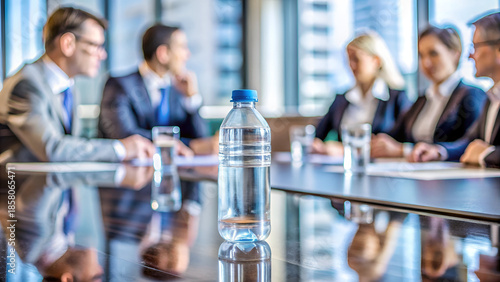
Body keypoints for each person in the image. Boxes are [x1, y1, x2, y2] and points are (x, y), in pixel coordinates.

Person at [0, 7, 156, 163]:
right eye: (96, 45)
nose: (103, 55)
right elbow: (53, 149)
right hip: (17, 185)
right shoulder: (25, 84)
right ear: (68, 44)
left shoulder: (69, 86)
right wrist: (120, 149)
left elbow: (77, 145)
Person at [99, 24, 218, 155]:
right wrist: (187, 146)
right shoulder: (119, 85)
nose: (187, 54)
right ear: (163, 54)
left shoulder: (178, 89)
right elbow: (124, 135)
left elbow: (201, 137)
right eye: (182, 47)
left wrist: (192, 98)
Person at [372, 26, 487, 158]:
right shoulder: (423, 99)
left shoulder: (471, 95)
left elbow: (468, 144)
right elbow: (396, 135)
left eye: (433, 53)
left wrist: (404, 150)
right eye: (421, 55)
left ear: (455, 53)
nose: (426, 63)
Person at [410, 13, 500, 168]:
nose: (470, 55)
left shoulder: (473, 95)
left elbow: (481, 150)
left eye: (476, 46)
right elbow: (470, 143)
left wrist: (487, 154)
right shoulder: (492, 96)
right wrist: (440, 151)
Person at [311, 31, 411, 156]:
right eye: (348, 60)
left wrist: (344, 150)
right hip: (341, 168)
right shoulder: (341, 99)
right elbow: (317, 136)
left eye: (356, 59)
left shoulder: (397, 98)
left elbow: (407, 141)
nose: (351, 66)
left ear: (376, 61)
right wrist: (317, 146)